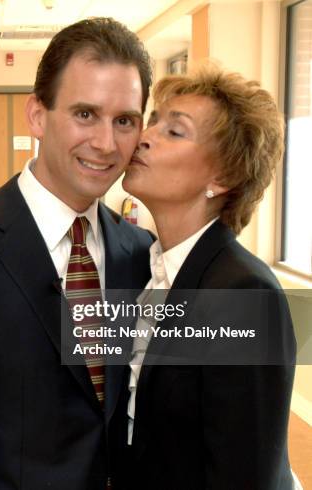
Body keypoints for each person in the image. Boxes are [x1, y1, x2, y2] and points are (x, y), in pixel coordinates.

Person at [0, 17, 153, 490]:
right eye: (85, 114)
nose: (105, 143)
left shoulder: (139, 253)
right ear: (37, 115)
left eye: (124, 121)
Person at [115, 65, 296, 489]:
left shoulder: (243, 293)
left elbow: (246, 473)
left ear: (223, 177)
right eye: (154, 120)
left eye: (174, 132)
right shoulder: (151, 267)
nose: (144, 136)